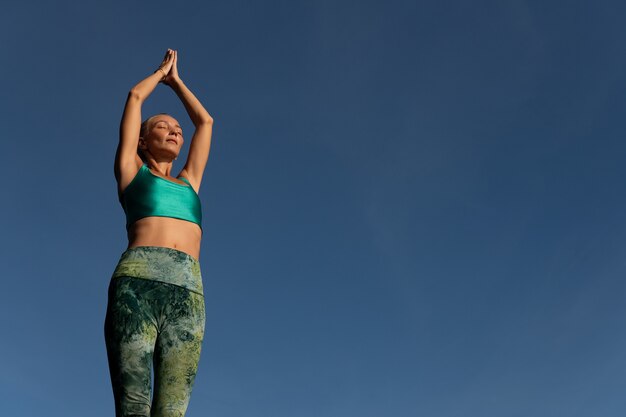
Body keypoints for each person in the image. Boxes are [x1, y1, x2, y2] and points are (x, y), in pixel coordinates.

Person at [104, 49, 214, 417]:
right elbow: (135, 97)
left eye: (178, 130)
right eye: (164, 127)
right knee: (133, 404)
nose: (175, 132)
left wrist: (179, 84)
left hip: (188, 290)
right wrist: (162, 73)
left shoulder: (190, 183)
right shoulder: (131, 173)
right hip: (137, 284)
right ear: (142, 140)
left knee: (173, 409)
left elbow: (206, 122)